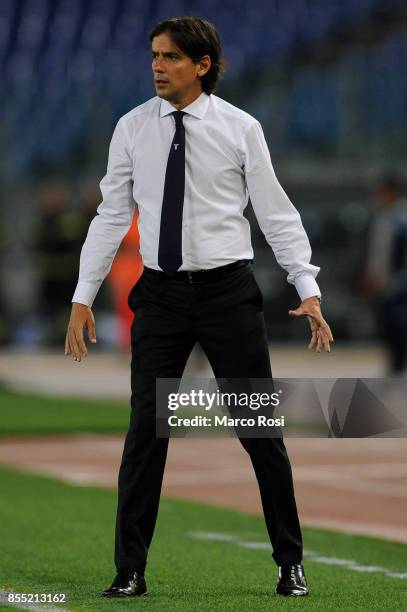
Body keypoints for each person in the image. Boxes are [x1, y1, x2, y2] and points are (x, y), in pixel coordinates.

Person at [65, 16, 333, 599]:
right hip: (159, 297)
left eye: (170, 57)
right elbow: (111, 215)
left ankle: (290, 562)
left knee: (259, 429)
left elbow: (274, 212)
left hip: (226, 293)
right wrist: (83, 297)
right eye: (154, 56)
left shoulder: (242, 129)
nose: (157, 66)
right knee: (146, 432)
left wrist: (305, 286)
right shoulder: (132, 127)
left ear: (202, 64)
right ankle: (130, 570)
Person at [362, 174, 407, 373]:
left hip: (399, 281)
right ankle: (395, 366)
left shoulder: (401, 219)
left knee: (399, 326)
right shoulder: (382, 218)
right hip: (385, 282)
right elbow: (378, 252)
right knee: (389, 327)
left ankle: (398, 366)